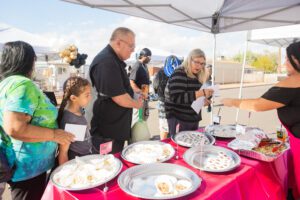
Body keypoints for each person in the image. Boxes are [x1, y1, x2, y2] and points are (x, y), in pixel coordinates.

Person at [221, 41, 300, 199]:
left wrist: (231, 102)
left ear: (296, 60)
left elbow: (257, 105)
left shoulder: (294, 80)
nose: (284, 63)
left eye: (286, 59)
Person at [0, 41, 74, 200]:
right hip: (27, 169)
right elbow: (15, 127)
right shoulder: (22, 83)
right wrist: (55, 135)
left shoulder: (5, 83)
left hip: (19, 164)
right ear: (28, 61)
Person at [89, 27, 143, 153]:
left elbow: (122, 89)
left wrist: (135, 96)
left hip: (114, 128)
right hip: (107, 131)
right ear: (118, 43)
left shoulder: (113, 60)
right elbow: (119, 97)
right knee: (107, 166)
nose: (133, 50)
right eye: (131, 46)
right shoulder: (106, 62)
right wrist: (137, 104)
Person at [165, 49, 214, 136]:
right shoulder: (180, 73)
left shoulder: (198, 75)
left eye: (202, 63)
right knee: (180, 147)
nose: (199, 66)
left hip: (193, 119)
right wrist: (201, 93)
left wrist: (204, 100)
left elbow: (193, 97)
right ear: (189, 60)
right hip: (179, 119)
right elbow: (176, 97)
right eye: (197, 62)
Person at [57, 77, 93, 165]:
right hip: (76, 160)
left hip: (85, 155)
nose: (90, 97)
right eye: (87, 95)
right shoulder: (70, 121)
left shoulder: (80, 110)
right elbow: (63, 152)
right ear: (73, 98)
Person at [153, 55, 182, 139]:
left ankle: (164, 145)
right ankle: (174, 144)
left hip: (163, 103)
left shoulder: (160, 72)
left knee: (164, 127)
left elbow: (155, 86)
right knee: (175, 126)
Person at [129, 48, 152, 125]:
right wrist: (140, 92)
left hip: (144, 95)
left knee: (144, 116)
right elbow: (131, 82)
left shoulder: (144, 66)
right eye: (149, 57)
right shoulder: (137, 66)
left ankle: (142, 133)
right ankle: (136, 135)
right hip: (138, 96)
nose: (150, 59)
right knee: (137, 118)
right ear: (144, 56)